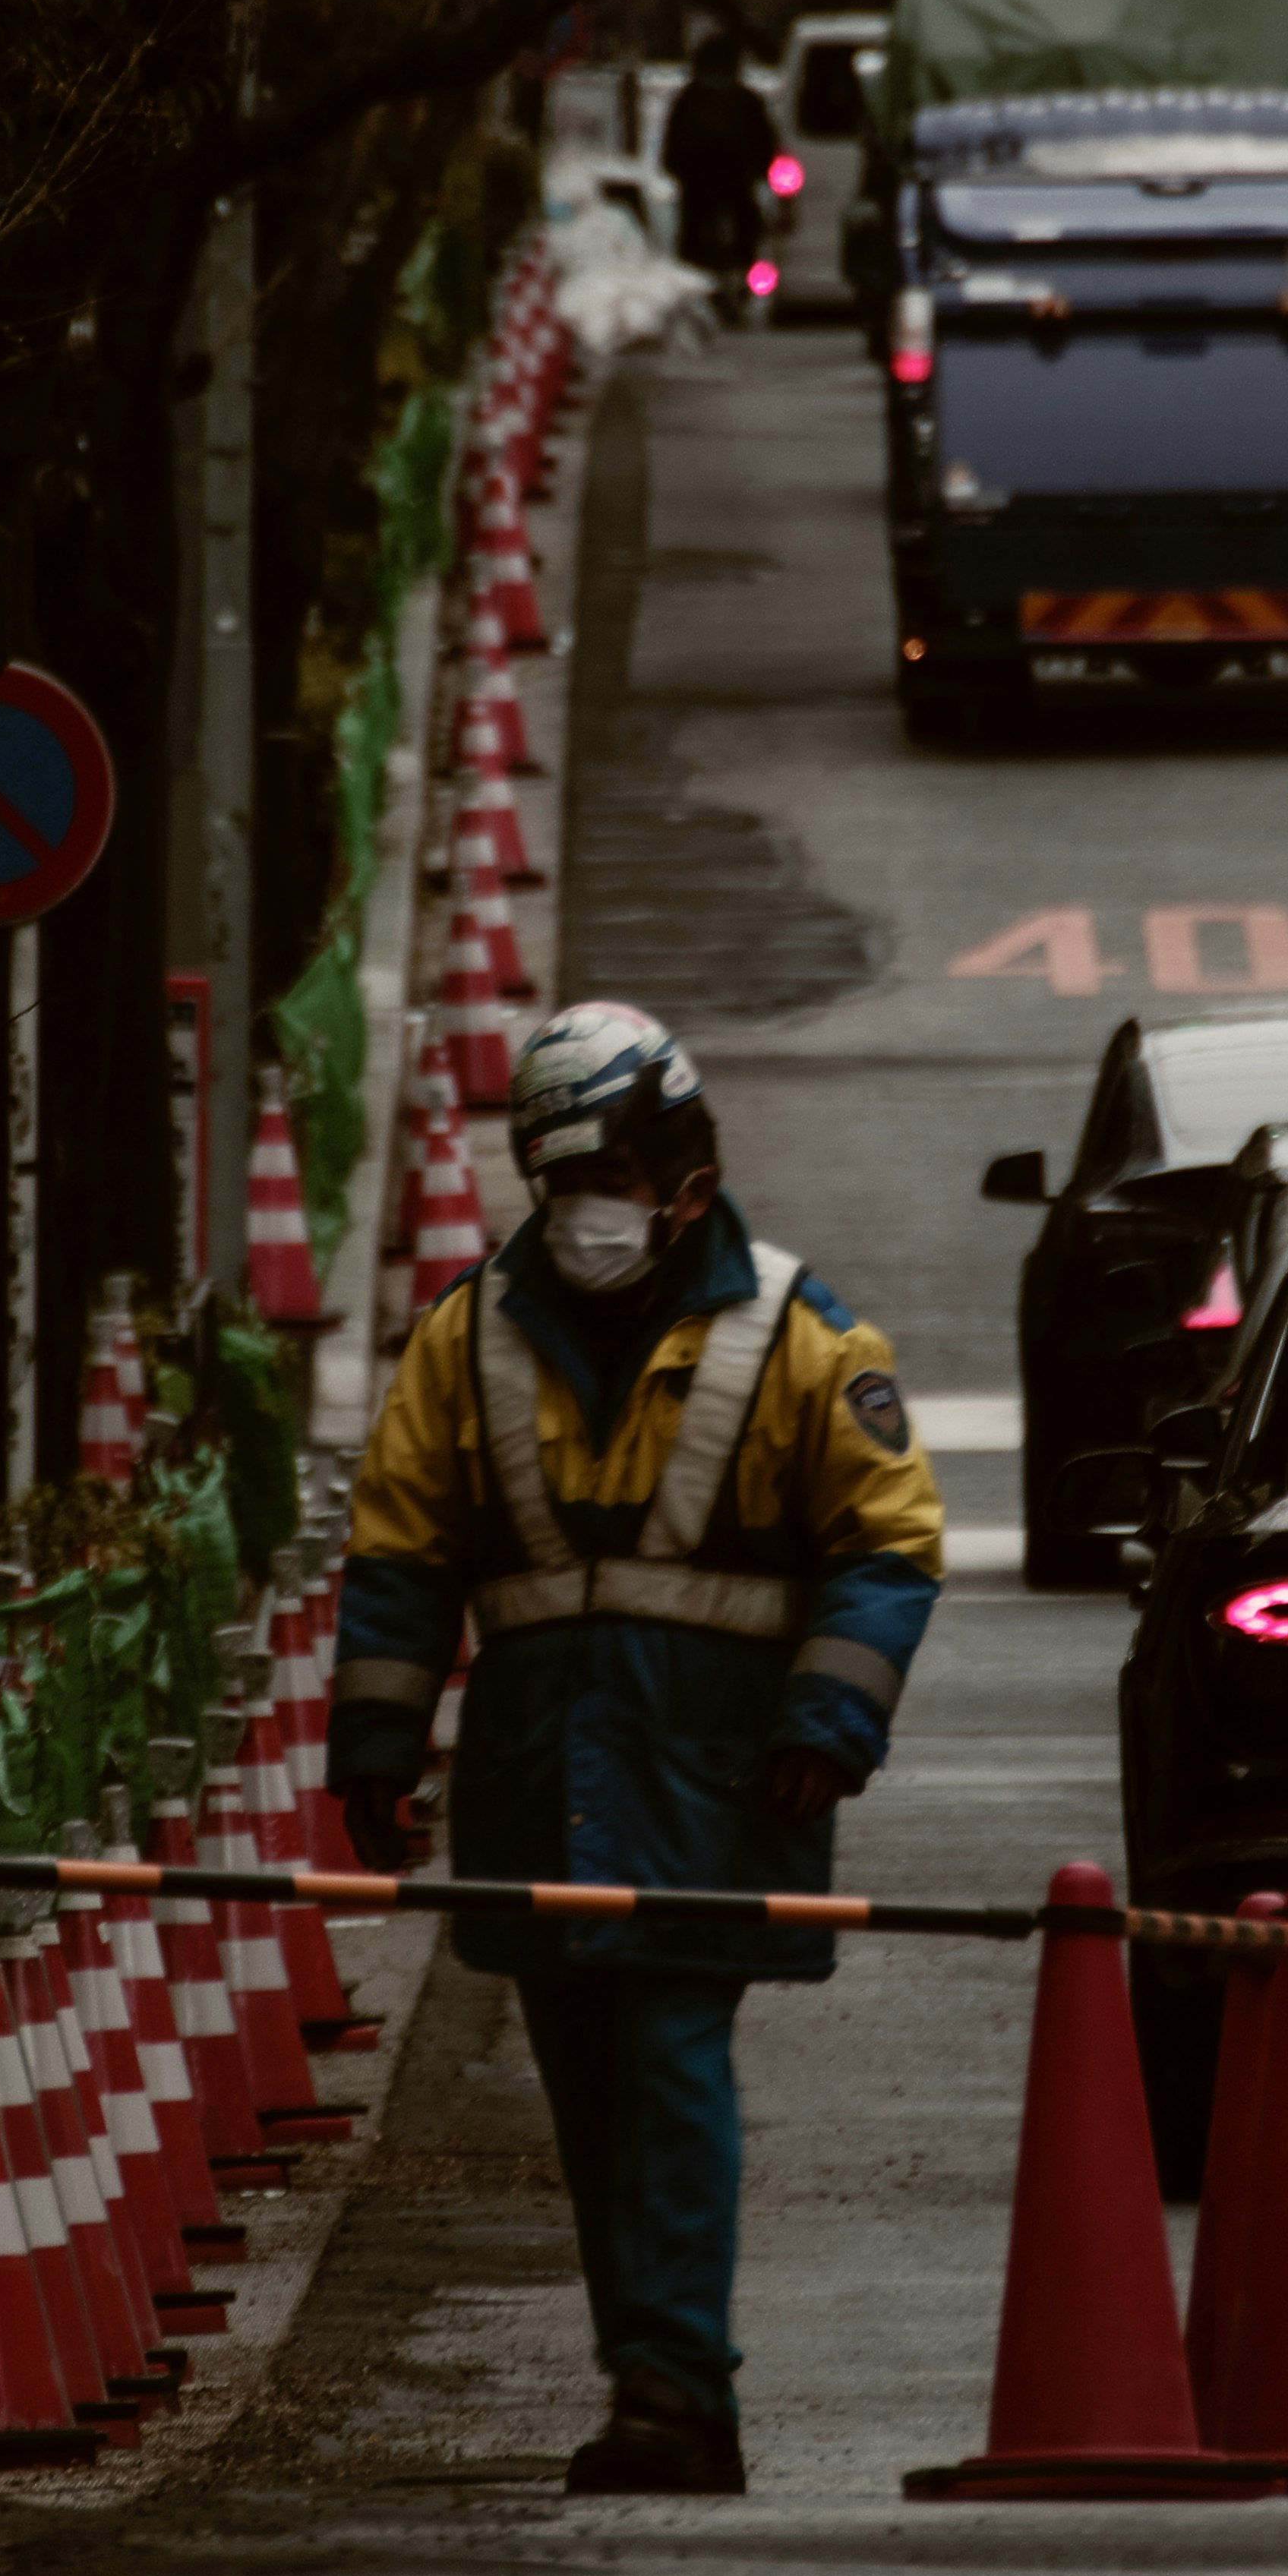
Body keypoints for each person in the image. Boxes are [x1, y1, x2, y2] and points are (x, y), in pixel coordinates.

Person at [329, 1002, 944, 2495]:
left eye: (607, 1171)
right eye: (560, 1177)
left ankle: (671, 2386)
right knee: (591, 2086)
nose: (585, 1209)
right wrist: (376, 1745)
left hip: (713, 1781)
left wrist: (830, 1721)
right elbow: (405, 1553)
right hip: (541, 1786)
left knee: (666, 2065)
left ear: (682, 1167)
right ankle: (661, 2384)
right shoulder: (468, 1338)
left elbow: (886, 1546)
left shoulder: (799, 1337)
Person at [659, 30, 775, 284]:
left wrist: (673, 167)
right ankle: (744, 278)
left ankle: (693, 278)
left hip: (697, 180)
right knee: (747, 228)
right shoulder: (745, 98)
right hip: (736, 178)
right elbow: (765, 139)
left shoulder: (689, 97)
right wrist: (763, 170)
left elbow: (672, 141)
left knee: (693, 231)